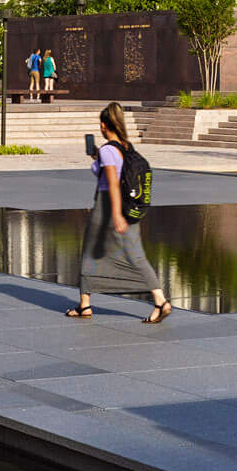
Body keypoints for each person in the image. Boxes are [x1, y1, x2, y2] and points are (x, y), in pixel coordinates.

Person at [68, 102, 170, 323]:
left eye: (101, 125)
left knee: (94, 253)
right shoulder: (124, 146)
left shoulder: (107, 150)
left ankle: (160, 302)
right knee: (131, 254)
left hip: (108, 206)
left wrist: (115, 215)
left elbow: (113, 183)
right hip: (125, 204)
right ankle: (86, 304)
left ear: (104, 126)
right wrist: (97, 158)